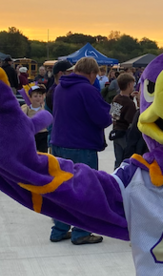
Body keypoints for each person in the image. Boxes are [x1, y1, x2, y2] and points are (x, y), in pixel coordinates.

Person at [49, 56, 111, 245]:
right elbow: (103, 119)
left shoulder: (59, 88)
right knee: (85, 189)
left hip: (58, 143)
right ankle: (81, 232)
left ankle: (59, 229)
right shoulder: (87, 89)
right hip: (81, 146)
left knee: (62, 188)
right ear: (92, 73)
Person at [109, 73, 138, 167]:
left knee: (118, 159)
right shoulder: (130, 104)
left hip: (116, 132)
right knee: (126, 159)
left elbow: (114, 115)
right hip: (125, 134)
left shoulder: (116, 98)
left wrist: (130, 97)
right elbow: (132, 120)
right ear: (129, 85)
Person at [22, 86, 49, 153]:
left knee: (43, 153)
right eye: (35, 96)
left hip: (43, 133)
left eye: (40, 96)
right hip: (31, 134)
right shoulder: (26, 108)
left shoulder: (45, 107)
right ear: (30, 98)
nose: (38, 98)